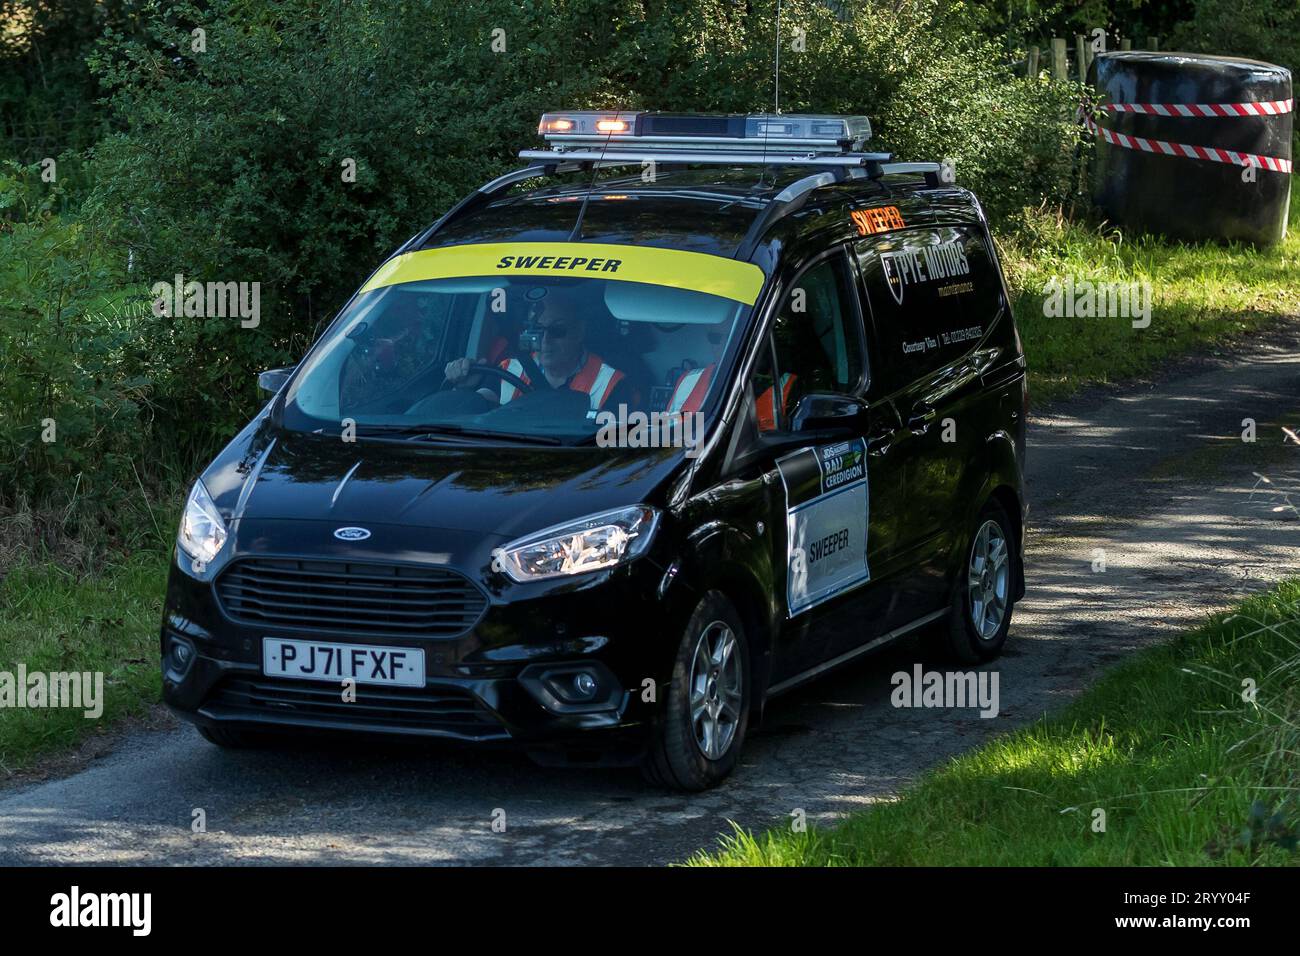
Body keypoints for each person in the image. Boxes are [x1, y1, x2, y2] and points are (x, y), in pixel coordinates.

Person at [447, 284, 629, 414]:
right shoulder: (509, 369)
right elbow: (477, 412)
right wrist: (465, 391)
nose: (545, 341)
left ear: (579, 331)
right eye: (538, 330)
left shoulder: (612, 383)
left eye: (557, 330)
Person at [666, 322, 795, 432]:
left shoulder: (790, 385)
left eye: (736, 336)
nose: (725, 345)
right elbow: (667, 436)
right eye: (715, 338)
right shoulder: (687, 381)